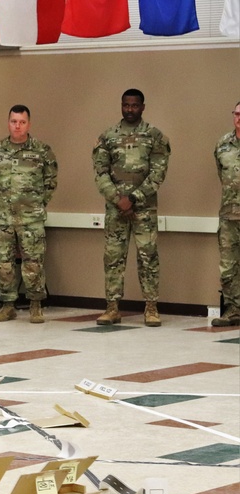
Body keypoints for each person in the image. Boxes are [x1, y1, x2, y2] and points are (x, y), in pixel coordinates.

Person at [92, 89, 171, 327]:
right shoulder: (107, 136)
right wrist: (118, 199)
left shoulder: (154, 136)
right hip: (116, 209)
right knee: (113, 258)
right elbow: (100, 173)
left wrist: (133, 198)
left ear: (142, 107)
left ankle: (151, 308)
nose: (129, 109)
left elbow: (158, 174)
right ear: (121, 105)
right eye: (126, 105)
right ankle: (112, 308)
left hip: (144, 209)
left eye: (134, 105)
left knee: (148, 257)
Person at [0, 105, 58, 323]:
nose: (17, 126)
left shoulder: (42, 150)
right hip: (3, 217)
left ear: (29, 124)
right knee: (4, 263)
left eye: (22, 122)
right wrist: (2, 203)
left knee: (33, 262)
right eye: (14, 121)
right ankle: (8, 305)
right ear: (8, 122)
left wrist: (36, 203)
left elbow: (51, 181)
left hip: (31, 218)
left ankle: (35, 305)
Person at [212, 102, 240, 326]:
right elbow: (223, 176)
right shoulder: (223, 144)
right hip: (230, 215)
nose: (239, 118)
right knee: (228, 266)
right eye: (237, 114)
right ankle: (233, 311)